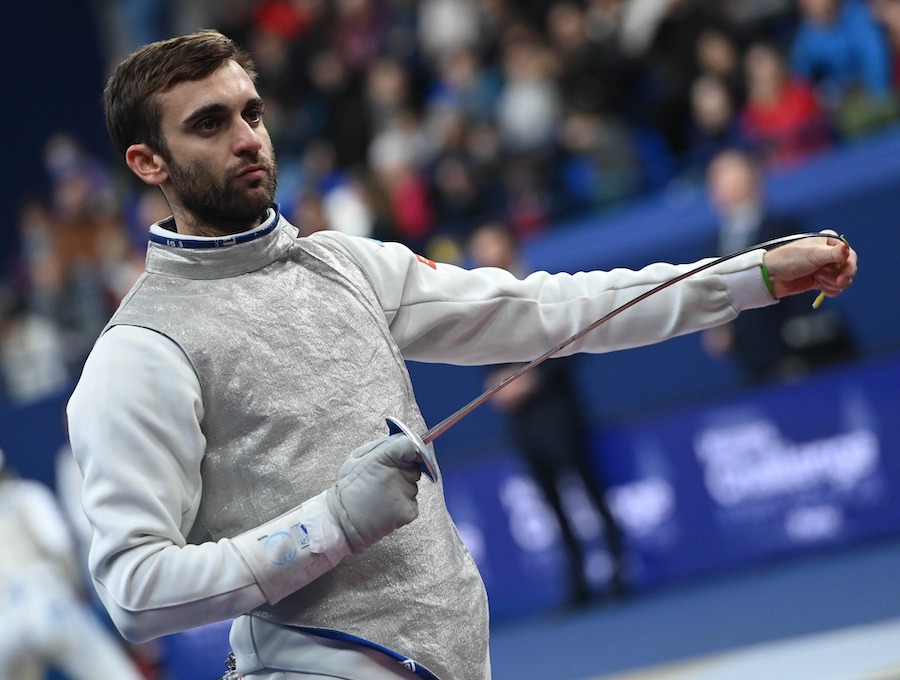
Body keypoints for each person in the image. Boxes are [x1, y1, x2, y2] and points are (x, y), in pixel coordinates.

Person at [65, 30, 857, 680]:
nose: (247, 139)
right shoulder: (141, 351)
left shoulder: (344, 265)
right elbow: (136, 592)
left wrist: (746, 276)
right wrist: (332, 522)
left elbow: (550, 310)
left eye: (253, 112)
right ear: (148, 162)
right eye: (210, 123)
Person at [468, 222, 628, 606]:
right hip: (522, 422)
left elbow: (573, 345)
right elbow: (484, 359)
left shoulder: (544, 288)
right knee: (551, 501)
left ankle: (619, 566)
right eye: (478, 249)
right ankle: (577, 580)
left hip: (558, 410)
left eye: (489, 244)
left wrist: (531, 379)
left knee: (589, 490)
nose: (483, 255)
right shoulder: (483, 305)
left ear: (508, 245)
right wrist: (496, 385)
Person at [701, 148, 857, 382]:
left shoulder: (780, 228)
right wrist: (718, 326)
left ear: (749, 177)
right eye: (713, 179)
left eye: (724, 176)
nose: (717, 186)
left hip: (792, 357)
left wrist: (797, 339)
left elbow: (803, 291)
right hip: (751, 362)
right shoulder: (715, 242)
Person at [0, 451, 144, 680]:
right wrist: (75, 585)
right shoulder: (28, 495)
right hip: (44, 600)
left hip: (5, 622)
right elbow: (59, 544)